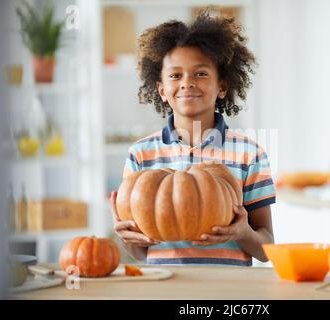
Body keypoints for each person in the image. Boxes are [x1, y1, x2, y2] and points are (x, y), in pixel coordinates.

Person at [111, 10, 276, 266]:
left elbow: (267, 250)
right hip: (165, 287)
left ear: (222, 86)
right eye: (176, 75)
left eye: (200, 73)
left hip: (229, 291)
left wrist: (243, 233)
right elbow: (140, 253)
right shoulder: (140, 154)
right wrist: (128, 238)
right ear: (161, 89)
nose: (187, 83)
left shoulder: (249, 154)